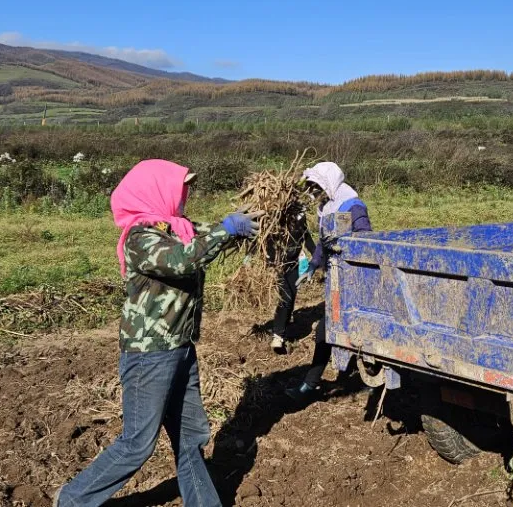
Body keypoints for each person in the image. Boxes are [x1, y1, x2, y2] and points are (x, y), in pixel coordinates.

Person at [53, 159, 263, 507]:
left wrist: (244, 223)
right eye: (180, 190)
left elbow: (202, 239)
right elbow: (183, 259)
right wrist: (227, 229)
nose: (185, 197)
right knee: (138, 443)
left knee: (190, 436)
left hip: (180, 348)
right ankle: (73, 499)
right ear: (155, 191)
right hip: (150, 354)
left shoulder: (174, 228)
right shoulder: (141, 238)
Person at [285, 162, 371, 403]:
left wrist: (346, 257)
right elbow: (324, 241)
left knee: (331, 330)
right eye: (311, 188)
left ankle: (310, 385)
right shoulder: (326, 206)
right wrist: (313, 266)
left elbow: (366, 241)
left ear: (329, 184)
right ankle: (313, 384)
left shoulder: (352, 205)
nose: (313, 193)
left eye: (316, 187)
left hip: (354, 280)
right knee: (331, 329)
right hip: (335, 280)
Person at [267, 203, 315, 353]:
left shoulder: (300, 221)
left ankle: (283, 330)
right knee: (286, 298)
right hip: (279, 266)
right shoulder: (277, 221)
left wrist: (319, 258)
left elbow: (307, 240)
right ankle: (278, 335)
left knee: (292, 297)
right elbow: (268, 242)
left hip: (293, 264)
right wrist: (272, 261)